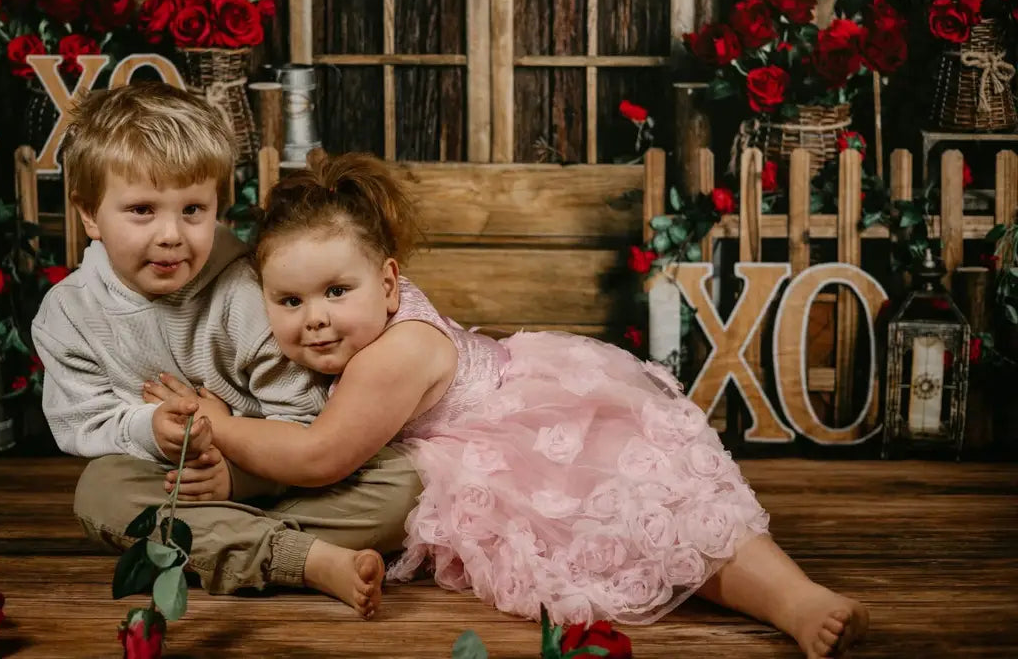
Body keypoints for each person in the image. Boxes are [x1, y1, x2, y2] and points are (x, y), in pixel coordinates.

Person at [143, 152, 870, 658]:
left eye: (338, 291)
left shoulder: (392, 356)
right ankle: (793, 597)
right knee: (653, 517)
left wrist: (225, 426)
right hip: (513, 402)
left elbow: (319, 454)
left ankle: (795, 599)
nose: (316, 319)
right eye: (290, 301)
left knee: (658, 511)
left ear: (390, 285)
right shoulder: (362, 331)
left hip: (525, 432)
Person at [34, 84, 419, 617]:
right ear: (90, 216)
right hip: (172, 486)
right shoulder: (69, 314)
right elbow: (84, 422)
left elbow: (307, 418)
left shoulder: (248, 292)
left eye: (194, 209)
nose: (172, 234)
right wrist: (151, 429)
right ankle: (304, 557)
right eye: (142, 210)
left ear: (218, 202)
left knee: (402, 484)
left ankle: (245, 546)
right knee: (99, 491)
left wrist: (239, 477)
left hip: (281, 474)